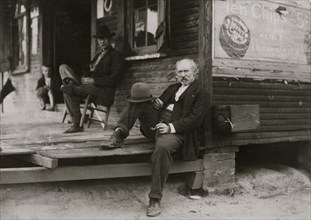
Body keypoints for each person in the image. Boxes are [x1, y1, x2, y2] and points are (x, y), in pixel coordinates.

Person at [100, 58, 209, 217]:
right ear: (176, 74)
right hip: (157, 125)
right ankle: (119, 135)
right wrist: (156, 103)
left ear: (194, 72)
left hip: (177, 133)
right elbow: (160, 103)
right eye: (180, 72)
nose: (183, 75)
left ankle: (155, 199)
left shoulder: (201, 93)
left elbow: (195, 119)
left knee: (162, 148)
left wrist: (170, 127)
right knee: (137, 99)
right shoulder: (173, 88)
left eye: (186, 71)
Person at [59, 25, 125, 133]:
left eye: (104, 39)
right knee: (63, 67)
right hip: (87, 85)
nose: (102, 42)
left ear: (109, 39)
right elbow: (88, 69)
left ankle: (76, 124)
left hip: (101, 90)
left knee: (67, 90)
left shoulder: (116, 56)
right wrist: (87, 73)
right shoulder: (98, 55)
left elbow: (114, 79)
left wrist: (94, 81)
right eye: (100, 39)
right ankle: (72, 85)